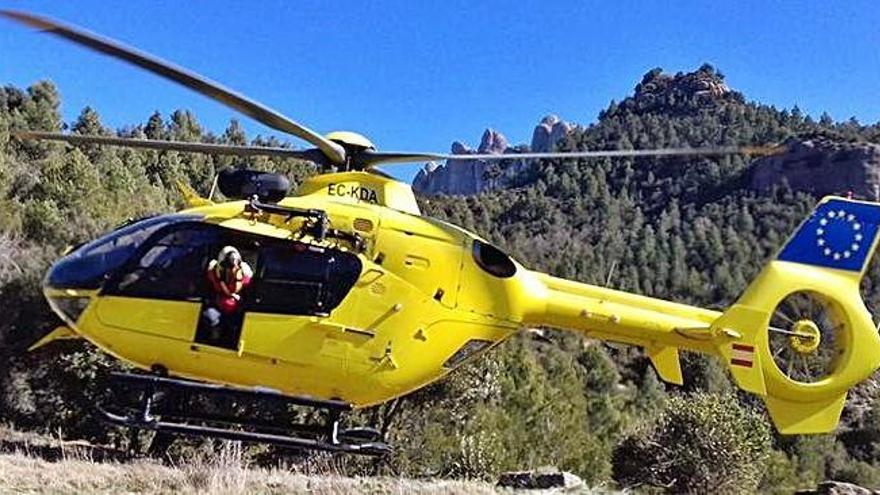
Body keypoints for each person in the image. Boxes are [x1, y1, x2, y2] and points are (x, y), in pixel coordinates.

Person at [202, 246, 253, 342]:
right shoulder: (213, 271)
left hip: (236, 307)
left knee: (235, 326)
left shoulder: (244, 272)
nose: (230, 269)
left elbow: (247, 286)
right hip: (218, 304)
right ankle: (214, 336)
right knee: (210, 317)